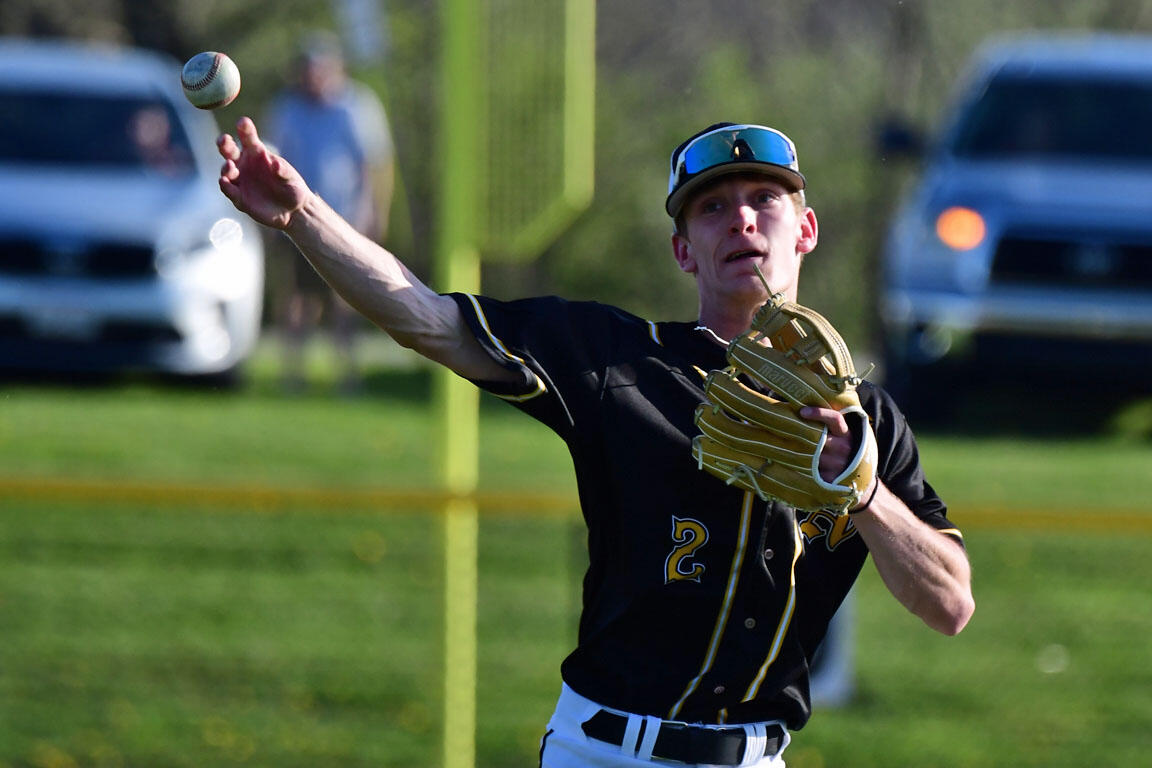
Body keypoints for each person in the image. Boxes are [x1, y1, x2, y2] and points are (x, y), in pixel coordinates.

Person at [216, 118, 974, 767]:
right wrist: (304, 214)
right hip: (608, 752)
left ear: (804, 229)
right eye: (712, 208)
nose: (741, 220)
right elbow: (427, 319)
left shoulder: (865, 422)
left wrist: (865, 494)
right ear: (684, 252)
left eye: (765, 199)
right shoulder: (621, 364)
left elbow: (949, 603)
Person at [264, 32, 394, 392]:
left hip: (345, 218)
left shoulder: (357, 105)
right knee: (296, 298)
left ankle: (347, 374)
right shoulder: (287, 107)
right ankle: (293, 375)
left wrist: (374, 213)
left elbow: (374, 165)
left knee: (346, 298)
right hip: (297, 218)